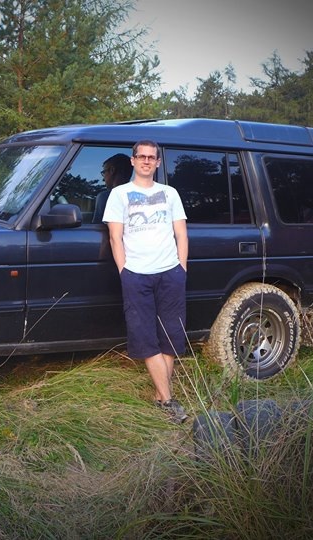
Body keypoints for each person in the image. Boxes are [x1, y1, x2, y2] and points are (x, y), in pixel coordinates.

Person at [103, 140, 189, 424]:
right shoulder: (119, 194)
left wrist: (182, 268)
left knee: (171, 335)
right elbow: (115, 237)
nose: (146, 161)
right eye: (141, 156)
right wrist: (124, 271)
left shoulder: (170, 193)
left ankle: (160, 396)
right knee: (144, 335)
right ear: (133, 160)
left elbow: (181, 233)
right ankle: (168, 400)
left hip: (170, 272)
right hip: (136, 274)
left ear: (158, 162)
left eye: (152, 157)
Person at [92, 153, 133, 223]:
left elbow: (95, 227)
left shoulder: (105, 197)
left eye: (104, 172)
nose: (103, 179)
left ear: (112, 170)